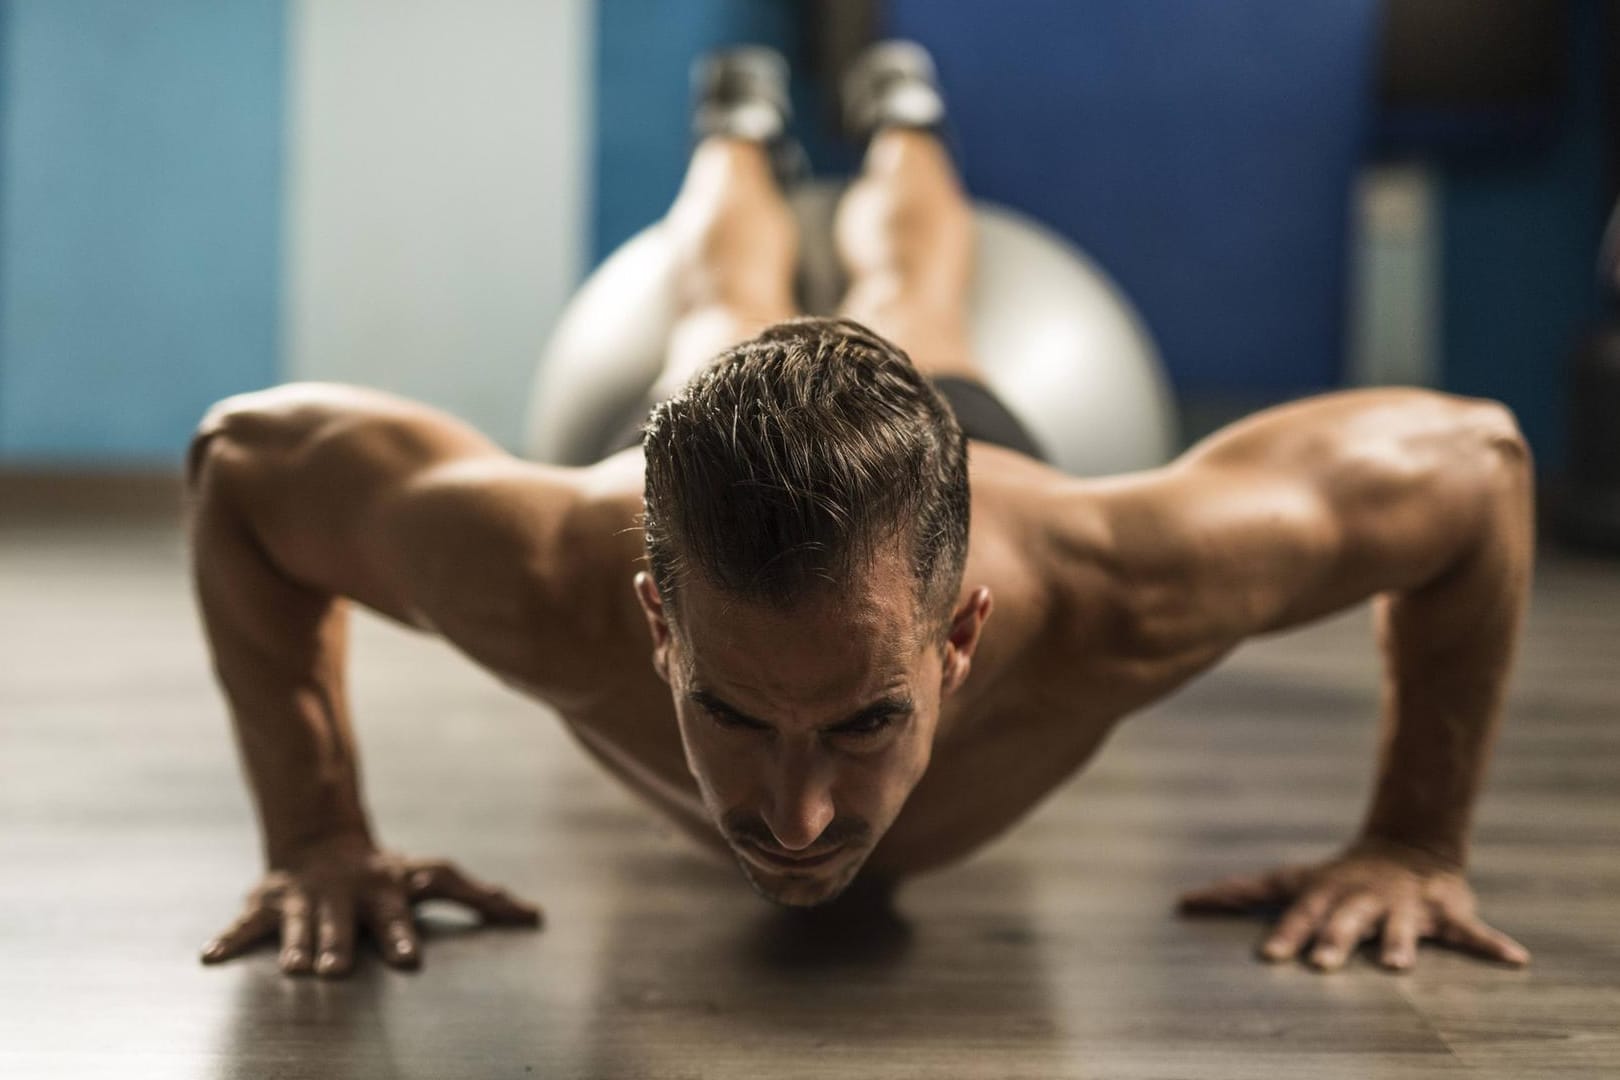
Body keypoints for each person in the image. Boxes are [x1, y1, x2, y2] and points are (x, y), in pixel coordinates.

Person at [187, 43, 1534, 980]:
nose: (798, 815)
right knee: (716, 309)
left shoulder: (1132, 586)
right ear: (659, 622)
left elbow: (1476, 467)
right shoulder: (541, 575)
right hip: (690, 441)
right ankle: (737, 128)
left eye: (864, 717)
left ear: (960, 634)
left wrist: (1416, 840)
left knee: (915, 304)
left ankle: (904, 117)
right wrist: (317, 837)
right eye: (730, 713)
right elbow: (245, 461)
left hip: (946, 449)